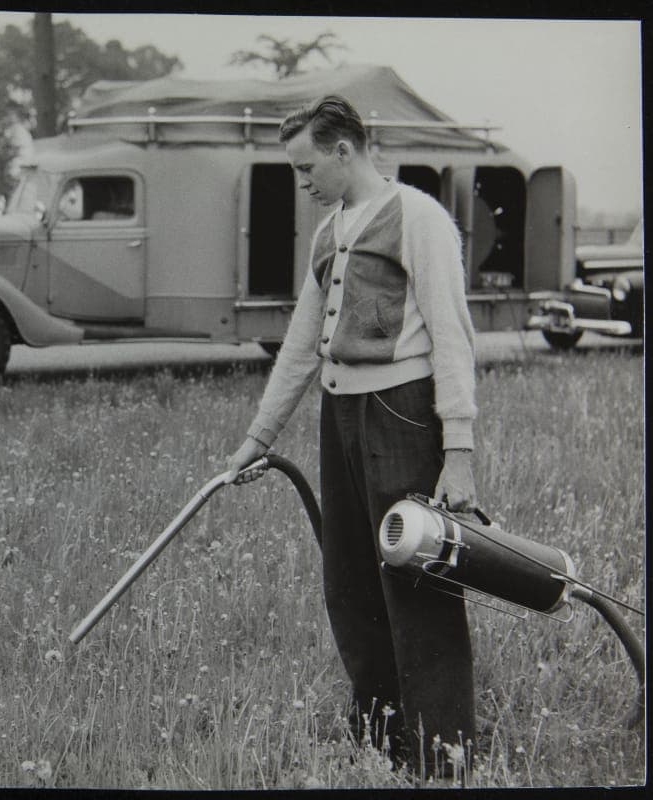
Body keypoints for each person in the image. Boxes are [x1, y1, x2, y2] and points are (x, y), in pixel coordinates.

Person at [225, 95, 478, 777]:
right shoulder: (327, 230)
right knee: (350, 584)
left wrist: (457, 451)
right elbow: (303, 343)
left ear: (344, 149)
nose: (300, 182)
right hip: (338, 418)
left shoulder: (418, 217)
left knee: (414, 581)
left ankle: (441, 756)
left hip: (400, 415)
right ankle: (378, 741)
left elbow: (452, 337)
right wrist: (258, 436)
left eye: (307, 166)